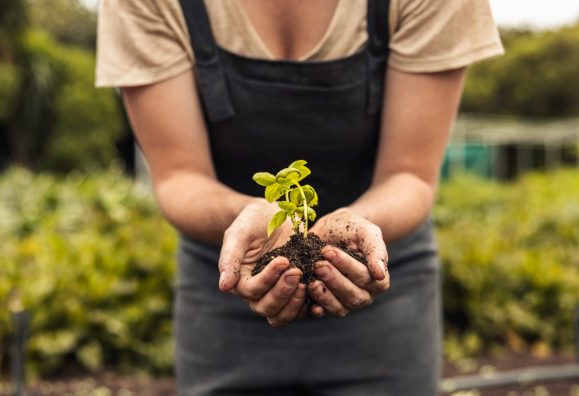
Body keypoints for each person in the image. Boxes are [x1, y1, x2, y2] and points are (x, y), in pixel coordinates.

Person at [96, 0, 503, 394]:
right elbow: (179, 176)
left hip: (381, 277)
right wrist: (247, 213)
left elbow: (409, 174)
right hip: (229, 280)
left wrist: (356, 225)